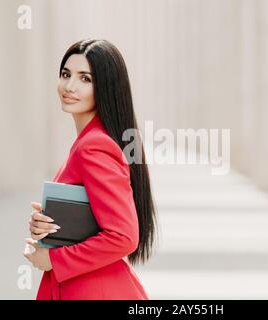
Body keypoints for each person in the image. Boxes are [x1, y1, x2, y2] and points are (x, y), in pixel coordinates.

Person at [23, 39, 158, 300]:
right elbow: (95, 217)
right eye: (66, 74)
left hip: (91, 289)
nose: (70, 86)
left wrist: (53, 259)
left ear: (105, 87)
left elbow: (123, 236)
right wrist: (48, 226)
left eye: (85, 79)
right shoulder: (88, 141)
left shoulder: (94, 146)